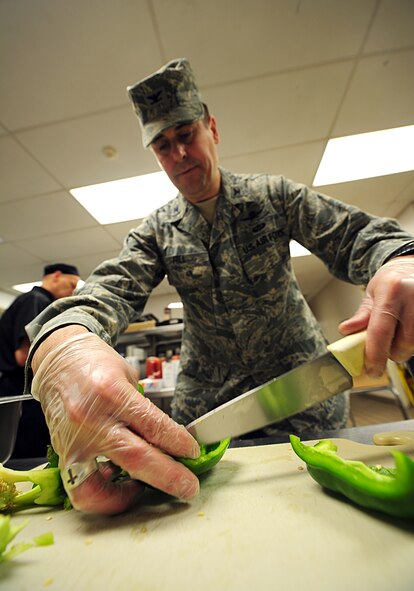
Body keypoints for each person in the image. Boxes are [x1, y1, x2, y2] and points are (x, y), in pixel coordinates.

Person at [24, 59, 414, 515]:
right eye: (163, 145)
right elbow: (111, 288)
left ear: (212, 128)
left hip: (304, 388)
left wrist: (402, 261)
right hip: (209, 405)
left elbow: (357, 235)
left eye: (186, 135)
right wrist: (64, 342)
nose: (179, 155)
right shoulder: (155, 232)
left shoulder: (274, 196)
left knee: (323, 505)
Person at [0, 263, 80, 459]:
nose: (72, 292)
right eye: (71, 284)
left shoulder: (34, 300)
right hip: (22, 394)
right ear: (56, 276)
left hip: (21, 390)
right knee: (30, 459)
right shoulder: (36, 300)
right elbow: (24, 356)